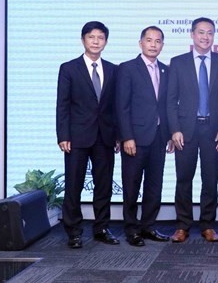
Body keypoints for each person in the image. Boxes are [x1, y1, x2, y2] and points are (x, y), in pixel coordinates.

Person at [166, 17, 218, 243]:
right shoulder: (178, 62)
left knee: (210, 179)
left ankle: (208, 225)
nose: (206, 37)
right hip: (185, 131)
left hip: (213, 130)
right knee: (184, 179)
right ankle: (183, 226)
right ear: (192, 35)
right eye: (201, 32)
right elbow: (170, 100)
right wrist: (174, 130)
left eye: (210, 33)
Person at [56, 21, 119, 249]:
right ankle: (74, 231)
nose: (96, 41)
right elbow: (62, 105)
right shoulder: (69, 68)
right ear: (83, 39)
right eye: (91, 37)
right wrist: (63, 135)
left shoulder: (113, 69)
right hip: (76, 137)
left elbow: (116, 106)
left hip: (105, 137)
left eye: (100, 37)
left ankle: (101, 227)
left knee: (104, 186)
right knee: (74, 185)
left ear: (106, 42)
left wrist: (119, 136)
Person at [115, 26, 174, 247]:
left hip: (159, 138)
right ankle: (131, 229)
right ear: (140, 43)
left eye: (158, 41)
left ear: (162, 45)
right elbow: (122, 106)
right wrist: (126, 137)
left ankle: (148, 226)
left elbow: (167, 106)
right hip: (135, 139)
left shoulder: (166, 70)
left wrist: (168, 135)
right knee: (131, 186)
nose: (153, 44)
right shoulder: (127, 68)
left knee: (154, 185)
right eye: (148, 40)